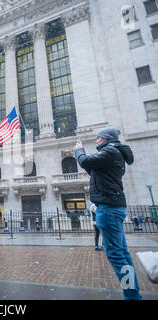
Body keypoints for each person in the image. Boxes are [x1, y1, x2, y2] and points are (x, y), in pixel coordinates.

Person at [74, 126, 141, 300]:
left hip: (109, 209)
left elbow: (85, 163)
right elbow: (93, 170)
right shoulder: (114, 153)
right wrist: (85, 154)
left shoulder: (110, 151)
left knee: (116, 255)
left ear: (105, 139)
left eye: (98, 137)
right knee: (123, 253)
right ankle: (133, 293)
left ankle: (132, 296)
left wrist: (78, 151)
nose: (96, 140)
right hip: (113, 208)